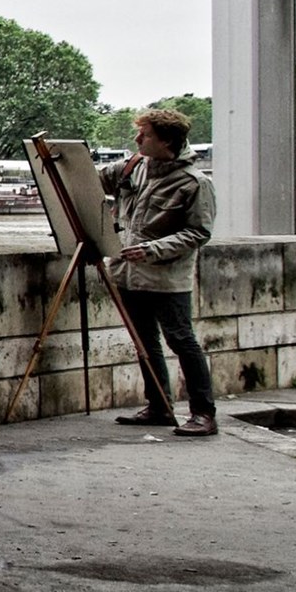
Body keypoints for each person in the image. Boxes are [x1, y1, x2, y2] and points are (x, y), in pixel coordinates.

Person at [99, 107, 217, 437]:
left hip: (167, 278)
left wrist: (152, 251)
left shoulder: (195, 183)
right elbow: (87, 181)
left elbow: (198, 233)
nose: (137, 138)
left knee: (182, 341)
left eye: (145, 134)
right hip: (127, 272)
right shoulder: (132, 168)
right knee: (144, 344)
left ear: (166, 140)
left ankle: (204, 412)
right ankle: (160, 407)